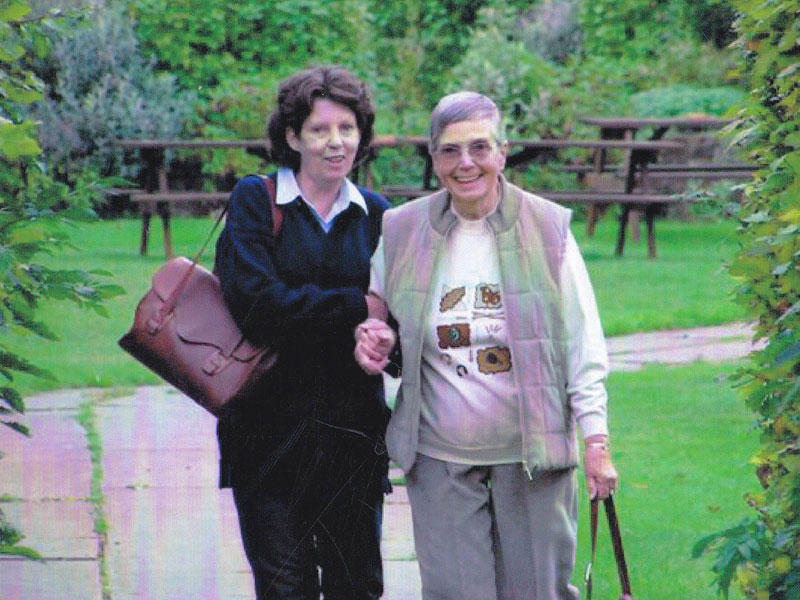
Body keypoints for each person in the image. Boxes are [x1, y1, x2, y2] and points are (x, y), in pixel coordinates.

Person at [354, 91, 619, 600]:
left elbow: (582, 344)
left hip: (532, 456)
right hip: (438, 454)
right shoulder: (403, 227)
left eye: (480, 147)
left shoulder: (548, 229)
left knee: (535, 593)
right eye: (450, 151)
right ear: (434, 160)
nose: (466, 162)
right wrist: (376, 335)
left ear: (502, 152)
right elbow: (378, 308)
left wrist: (596, 443)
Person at [214, 66, 391, 600]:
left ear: (362, 135)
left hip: (352, 438)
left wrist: (383, 341)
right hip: (266, 439)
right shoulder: (254, 201)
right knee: (285, 588)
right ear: (292, 137)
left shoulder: (380, 217)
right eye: (319, 129)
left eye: (348, 127)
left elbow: (399, 321)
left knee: (355, 588)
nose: (336, 142)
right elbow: (259, 307)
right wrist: (357, 307)